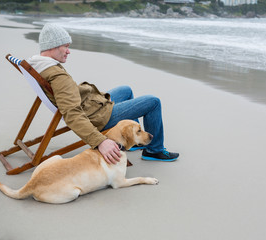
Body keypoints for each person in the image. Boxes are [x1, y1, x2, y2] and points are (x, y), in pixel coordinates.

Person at [27, 23, 179, 164]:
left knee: (125, 90)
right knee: (153, 102)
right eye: (65, 46)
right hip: (96, 117)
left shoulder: (39, 65)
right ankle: (154, 150)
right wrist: (100, 141)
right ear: (52, 46)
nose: (68, 51)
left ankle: (132, 138)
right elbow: (72, 114)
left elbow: (67, 99)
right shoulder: (57, 75)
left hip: (90, 106)